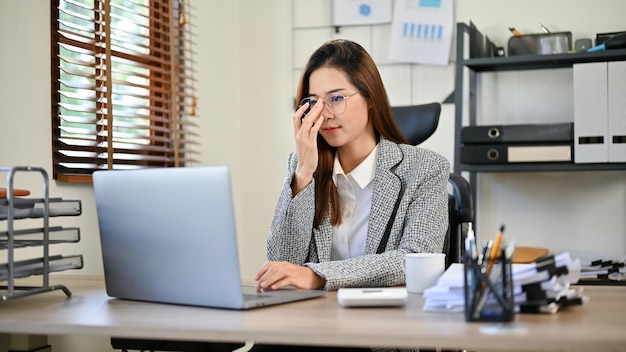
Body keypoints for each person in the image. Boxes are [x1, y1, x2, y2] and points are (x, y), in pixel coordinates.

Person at [250, 39, 449, 352]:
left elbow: (411, 259)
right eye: (313, 102)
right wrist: (304, 172)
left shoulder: (426, 169)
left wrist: (318, 275)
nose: (325, 114)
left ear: (369, 97)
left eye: (337, 98)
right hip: (310, 330)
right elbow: (283, 261)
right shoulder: (302, 164)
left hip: (380, 334)